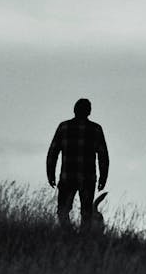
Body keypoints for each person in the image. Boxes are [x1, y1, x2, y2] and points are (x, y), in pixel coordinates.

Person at [46, 98, 109, 229]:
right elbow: (103, 156)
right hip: (88, 178)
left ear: (74, 110)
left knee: (63, 211)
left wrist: (50, 173)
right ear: (89, 112)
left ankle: (69, 234)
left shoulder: (64, 127)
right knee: (86, 212)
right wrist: (103, 176)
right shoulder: (96, 129)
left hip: (67, 177)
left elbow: (53, 152)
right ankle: (83, 238)